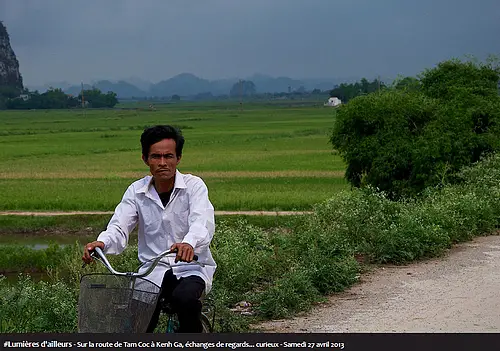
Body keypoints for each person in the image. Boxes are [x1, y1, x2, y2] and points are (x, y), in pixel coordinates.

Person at [82, 125, 216, 333]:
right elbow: (119, 225)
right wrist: (103, 243)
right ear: (145, 159)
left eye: (168, 156)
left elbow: (202, 222)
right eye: (156, 156)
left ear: (178, 158)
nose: (163, 163)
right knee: (136, 324)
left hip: (191, 268)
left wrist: (189, 243)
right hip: (152, 271)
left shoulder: (194, 186)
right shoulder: (136, 191)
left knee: (185, 300)